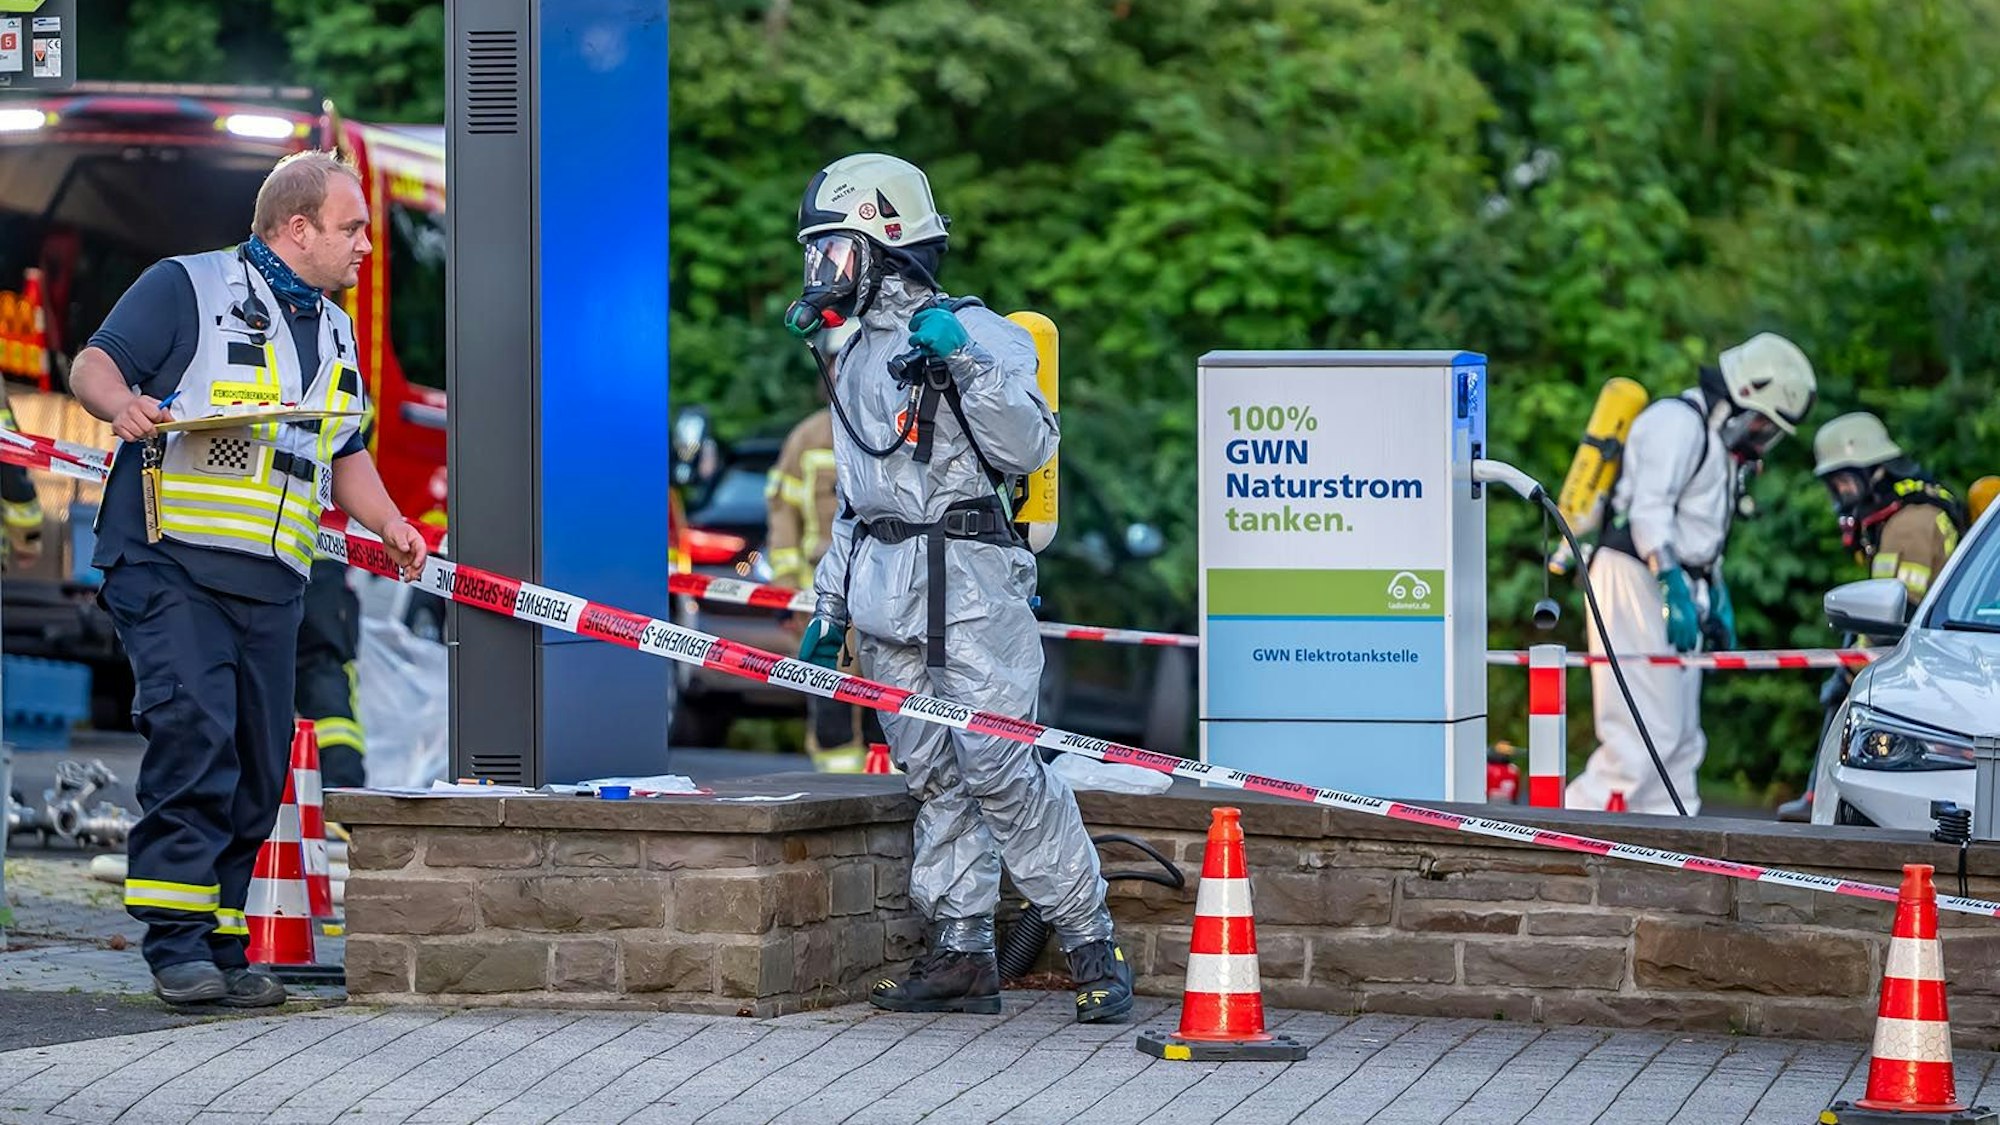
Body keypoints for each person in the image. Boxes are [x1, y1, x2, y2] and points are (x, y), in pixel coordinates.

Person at [68, 150, 428, 1006]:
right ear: (296, 228)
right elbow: (93, 362)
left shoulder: (336, 329)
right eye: (353, 228)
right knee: (197, 731)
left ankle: (224, 936)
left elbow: (346, 452)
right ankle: (175, 942)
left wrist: (389, 523)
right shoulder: (186, 285)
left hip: (273, 581)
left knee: (262, 762)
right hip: (170, 562)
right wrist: (119, 404)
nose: (366, 247)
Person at [786, 152, 1130, 1022]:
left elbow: (1028, 447)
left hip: (974, 588)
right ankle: (962, 953)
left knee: (1005, 771)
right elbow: (856, 505)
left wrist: (967, 359)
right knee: (934, 774)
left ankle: (1092, 941)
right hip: (886, 595)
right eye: (815, 255)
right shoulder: (852, 357)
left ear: (886, 245)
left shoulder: (981, 333)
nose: (820, 272)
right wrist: (828, 607)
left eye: (833, 251)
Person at [1567, 332, 1816, 815]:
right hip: (1635, 575)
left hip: (1676, 580)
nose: (1763, 437)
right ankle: (1560, 835)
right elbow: (1649, 512)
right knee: (1642, 734)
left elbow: (1700, 530)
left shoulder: (1717, 445)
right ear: (1745, 398)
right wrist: (1672, 585)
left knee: (1681, 740)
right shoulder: (1676, 423)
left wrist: (1713, 589)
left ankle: (1673, 847)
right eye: (1764, 424)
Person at [1775, 411, 1965, 822]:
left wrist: (1848, 674)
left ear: (1874, 472)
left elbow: (1890, 618)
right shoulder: (1913, 512)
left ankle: (1825, 804)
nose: (1841, 495)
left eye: (1843, 483)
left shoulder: (1907, 527)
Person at [767, 388, 875, 773]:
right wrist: (787, 588)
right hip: (823, 591)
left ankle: (888, 791)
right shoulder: (809, 438)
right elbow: (783, 515)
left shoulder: (895, 425)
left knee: (890, 701)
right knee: (832, 706)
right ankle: (839, 793)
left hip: (884, 589)